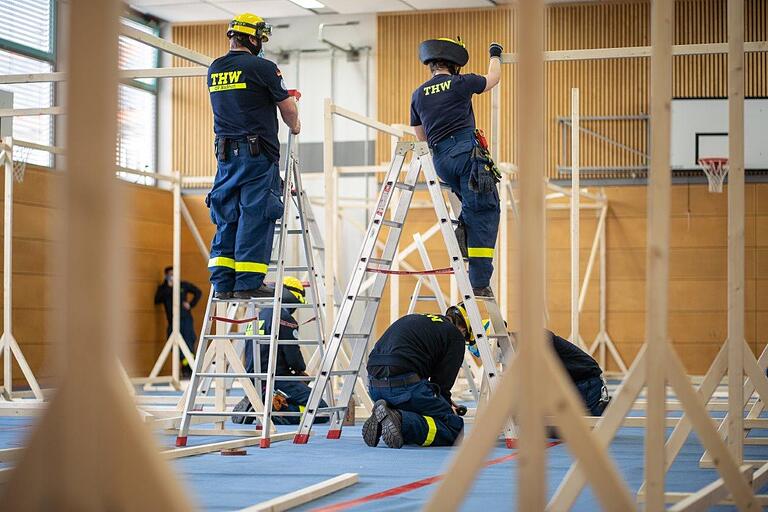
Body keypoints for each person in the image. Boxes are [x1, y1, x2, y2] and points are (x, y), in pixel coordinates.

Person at [206, 13, 300, 300]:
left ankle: (222, 284)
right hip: (256, 155)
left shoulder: (215, 68)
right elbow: (288, 109)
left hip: (225, 156)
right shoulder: (263, 67)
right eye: (260, 38)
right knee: (255, 213)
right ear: (251, 38)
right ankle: (248, 281)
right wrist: (294, 125)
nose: (261, 44)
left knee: (227, 215)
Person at [410, 38, 503, 297]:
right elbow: (493, 78)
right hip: (466, 155)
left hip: (441, 162)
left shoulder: (418, 94)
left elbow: (420, 136)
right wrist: (495, 54)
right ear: (454, 66)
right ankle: (479, 282)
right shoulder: (460, 83)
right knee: (484, 211)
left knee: (470, 207)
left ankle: (465, 238)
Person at [453, 303, 611, 417]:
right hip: (572, 385)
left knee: (554, 428)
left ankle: (599, 407)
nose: (499, 355)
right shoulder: (518, 351)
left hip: (587, 383)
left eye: (498, 349)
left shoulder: (535, 338)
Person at [362, 311, 467, 449]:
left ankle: (387, 416)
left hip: (375, 388)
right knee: (454, 429)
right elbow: (442, 386)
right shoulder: (456, 336)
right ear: (464, 329)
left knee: (420, 409)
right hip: (405, 390)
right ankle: (400, 420)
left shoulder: (418, 319)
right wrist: (447, 408)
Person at [232, 277, 328, 425]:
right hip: (278, 379)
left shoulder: (257, 316)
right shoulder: (283, 317)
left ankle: (260, 402)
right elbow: (293, 356)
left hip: (254, 379)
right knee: (322, 411)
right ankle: (276, 409)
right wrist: (300, 372)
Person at [153, 266, 201, 377]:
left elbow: (198, 292)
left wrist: (190, 304)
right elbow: (157, 300)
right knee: (174, 346)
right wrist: (169, 287)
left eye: (174, 274)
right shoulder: (164, 289)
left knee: (189, 344)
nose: (173, 276)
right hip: (173, 322)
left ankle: (189, 370)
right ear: (166, 276)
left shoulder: (183, 285)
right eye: (170, 274)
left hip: (186, 320)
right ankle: (186, 366)